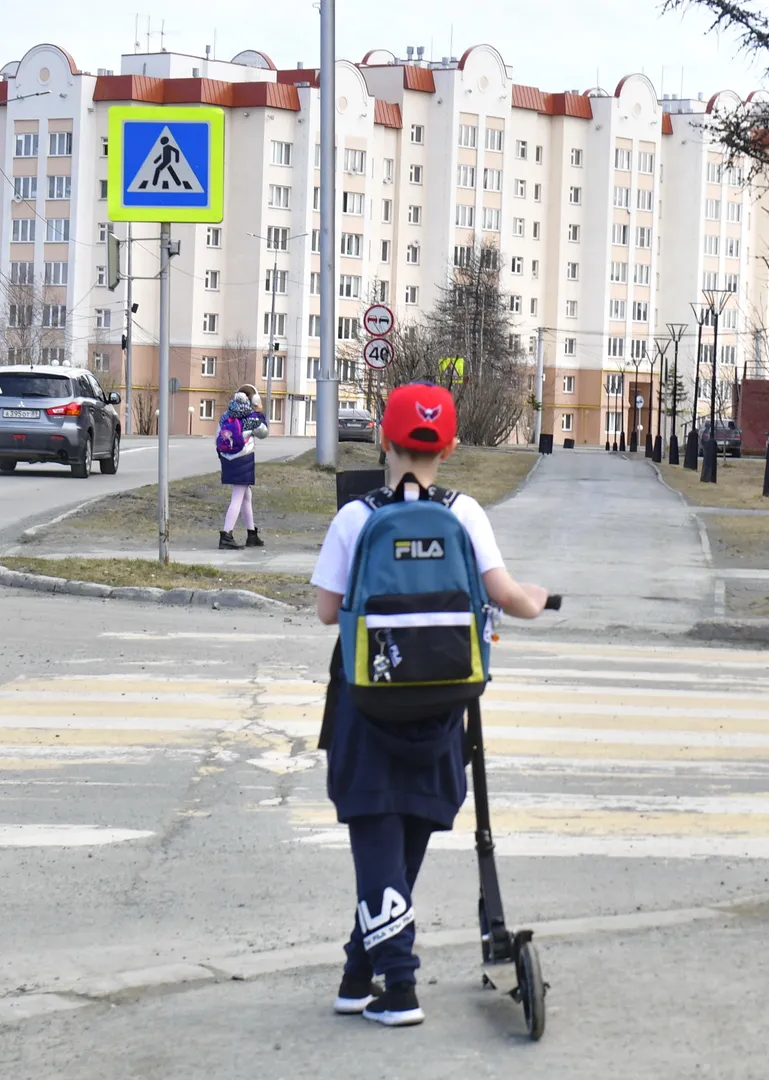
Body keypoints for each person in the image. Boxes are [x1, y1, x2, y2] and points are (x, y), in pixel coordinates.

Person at [309, 382, 550, 1028]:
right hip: (444, 706)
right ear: (447, 446)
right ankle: (361, 972)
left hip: (367, 703)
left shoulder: (355, 518)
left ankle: (398, 985)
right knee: (405, 835)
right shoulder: (465, 513)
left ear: (382, 441)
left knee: (375, 836)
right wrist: (535, 595)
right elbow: (508, 596)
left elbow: (328, 608)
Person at [216, 386, 270, 550]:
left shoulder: (225, 416)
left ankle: (251, 534)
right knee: (237, 497)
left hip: (228, 459)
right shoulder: (251, 418)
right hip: (243, 459)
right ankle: (226, 535)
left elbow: (218, 437)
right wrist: (260, 412)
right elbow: (264, 432)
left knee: (246, 496)